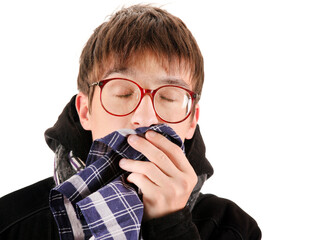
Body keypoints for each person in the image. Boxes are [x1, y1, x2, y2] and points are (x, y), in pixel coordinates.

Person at [0, 4, 261, 240]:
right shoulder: (9, 223)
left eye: (169, 97)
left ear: (192, 120)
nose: (145, 118)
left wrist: (172, 226)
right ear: (85, 111)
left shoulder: (233, 229)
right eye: (123, 93)